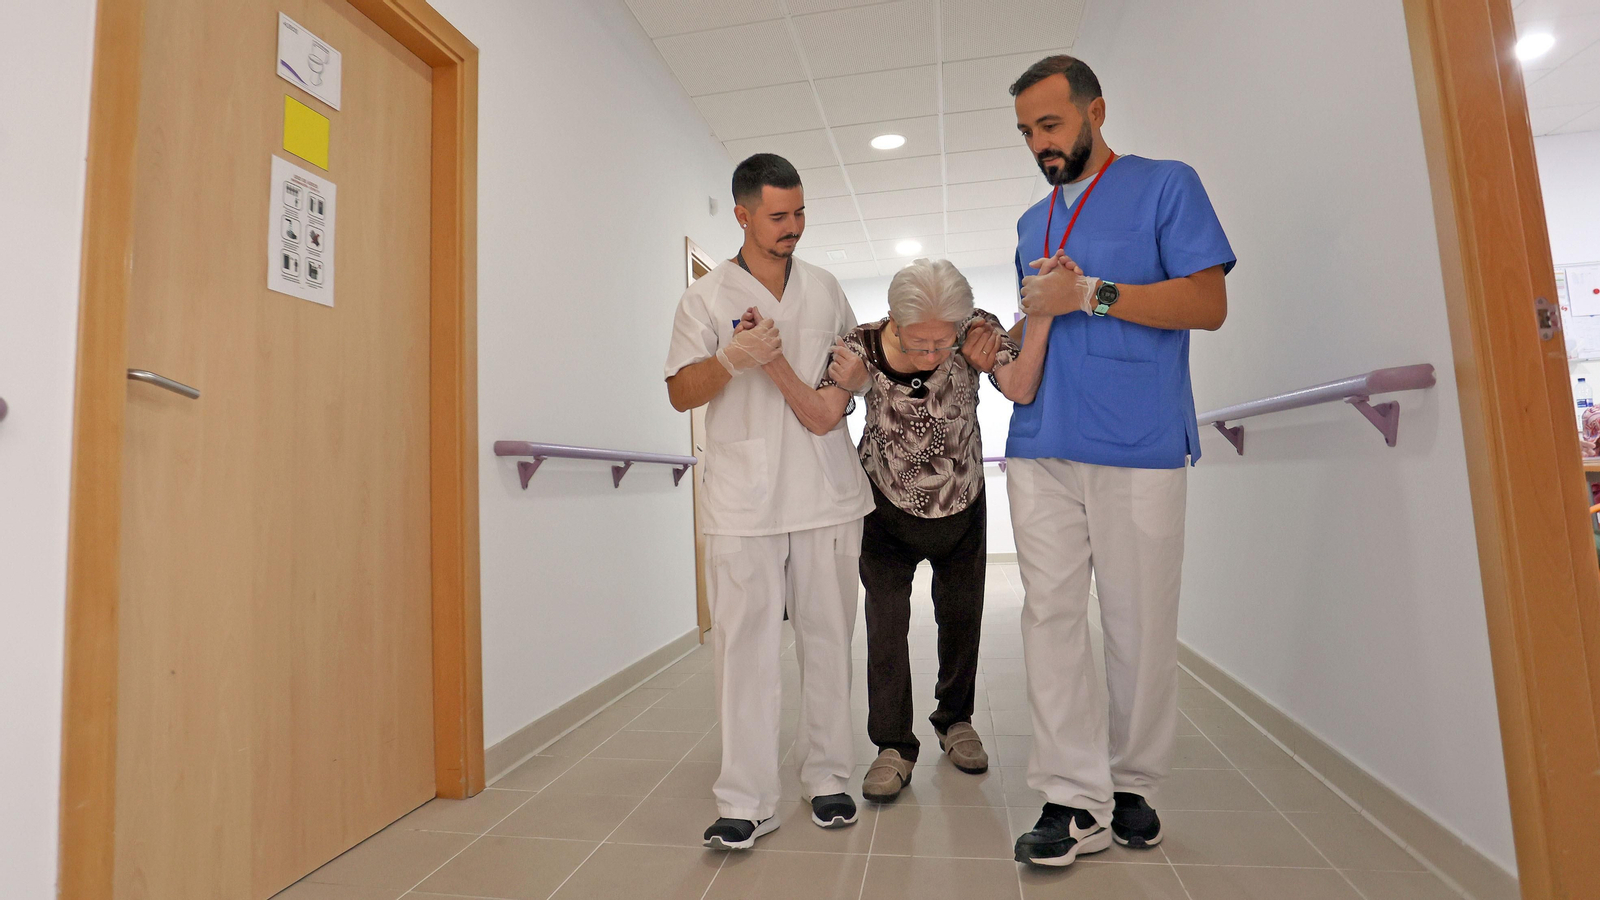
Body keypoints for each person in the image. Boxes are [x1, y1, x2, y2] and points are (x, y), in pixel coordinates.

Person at [1001, 55, 1237, 867]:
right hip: (1040, 444)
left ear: (1095, 110)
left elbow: (1207, 304)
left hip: (1137, 443)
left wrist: (1094, 293)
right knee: (1050, 621)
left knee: (1138, 624)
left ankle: (1132, 783)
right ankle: (1071, 796)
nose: (1040, 142)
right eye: (1028, 131)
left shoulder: (1167, 184)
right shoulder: (1033, 224)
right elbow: (1036, 328)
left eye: (1052, 123)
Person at [758, 257, 1054, 802]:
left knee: (962, 617)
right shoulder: (859, 347)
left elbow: (1021, 387)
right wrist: (782, 364)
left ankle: (956, 720)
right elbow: (822, 417)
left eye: (943, 344)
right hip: (884, 509)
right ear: (893, 316)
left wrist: (1045, 316)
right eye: (920, 343)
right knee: (886, 626)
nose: (932, 355)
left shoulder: (975, 330)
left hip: (962, 503)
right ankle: (893, 746)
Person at [664, 153, 874, 850]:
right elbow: (678, 391)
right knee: (743, 649)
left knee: (827, 640)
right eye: (779, 216)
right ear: (744, 214)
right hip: (744, 501)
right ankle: (746, 799)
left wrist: (855, 380)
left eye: (801, 213)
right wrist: (732, 360)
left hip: (824, 491)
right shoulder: (706, 298)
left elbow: (852, 368)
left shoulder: (824, 287)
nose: (794, 227)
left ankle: (829, 777)